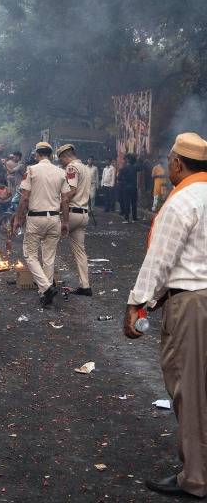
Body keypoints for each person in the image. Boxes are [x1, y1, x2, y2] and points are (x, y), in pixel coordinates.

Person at [123, 132, 207, 499]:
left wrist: (138, 302)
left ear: (176, 163)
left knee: (189, 391)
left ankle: (196, 477)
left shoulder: (182, 201)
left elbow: (161, 260)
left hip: (192, 304)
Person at [12, 142, 70, 306]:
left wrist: (18, 218)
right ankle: (45, 293)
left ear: (36, 155)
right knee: (49, 257)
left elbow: (24, 197)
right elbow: (65, 199)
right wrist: (65, 221)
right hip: (54, 218)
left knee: (30, 255)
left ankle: (45, 288)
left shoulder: (31, 170)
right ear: (51, 155)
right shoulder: (61, 172)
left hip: (36, 219)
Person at [57, 145, 92, 296]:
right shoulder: (85, 167)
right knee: (80, 251)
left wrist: (59, 203)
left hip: (71, 213)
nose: (62, 163)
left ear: (65, 156)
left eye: (61, 160)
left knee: (47, 240)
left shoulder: (71, 167)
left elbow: (71, 191)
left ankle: (46, 284)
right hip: (84, 214)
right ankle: (85, 286)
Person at [118, 153, 139, 222]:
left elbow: (119, 178)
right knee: (134, 203)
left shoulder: (124, 168)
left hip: (126, 188)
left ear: (127, 160)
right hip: (134, 187)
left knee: (127, 203)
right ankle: (134, 218)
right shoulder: (135, 168)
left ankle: (127, 218)